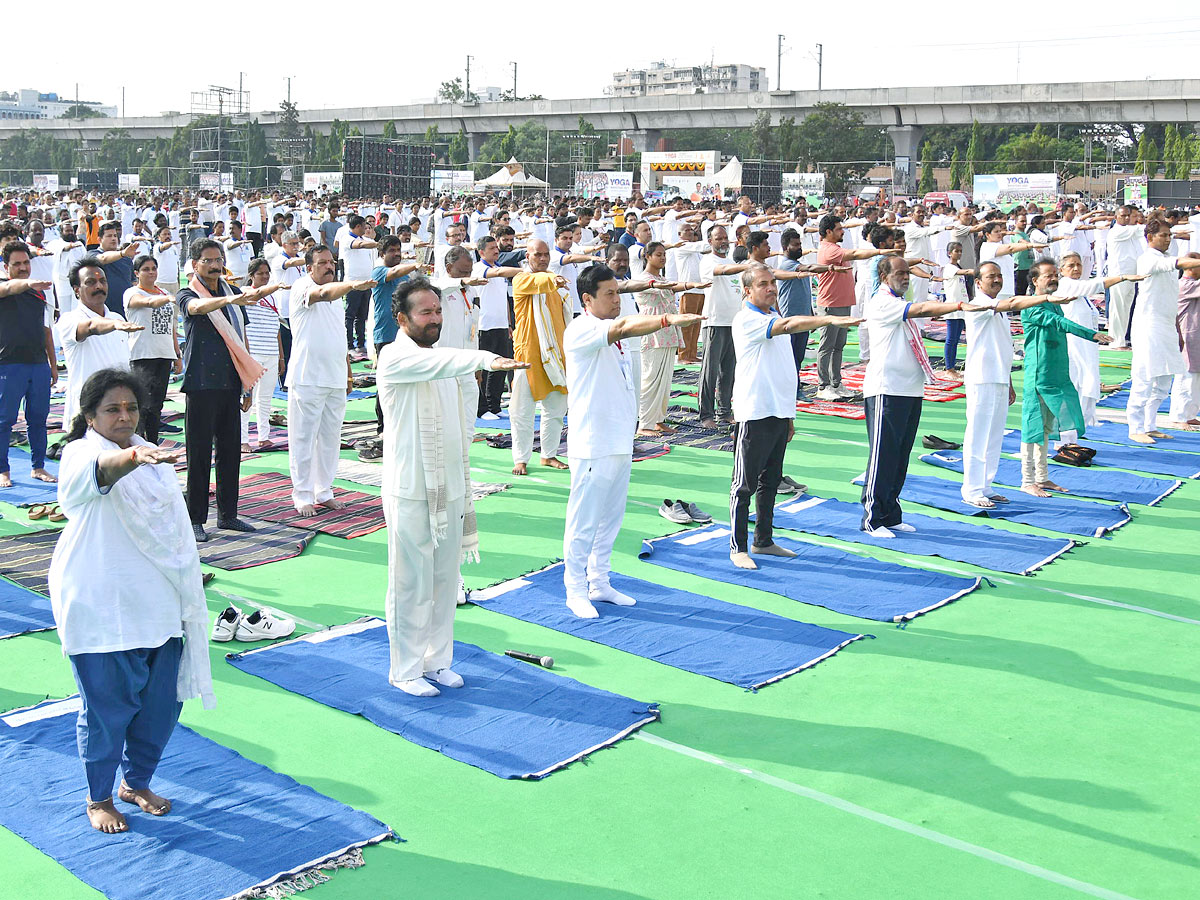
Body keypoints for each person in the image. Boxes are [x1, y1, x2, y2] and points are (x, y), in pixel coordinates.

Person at [48, 367, 215, 834]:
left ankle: (135, 782)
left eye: (131, 408)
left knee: (160, 709)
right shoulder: (83, 452)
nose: (124, 416)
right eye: (112, 409)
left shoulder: (151, 457)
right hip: (103, 608)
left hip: (159, 607)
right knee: (106, 713)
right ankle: (98, 796)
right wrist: (133, 458)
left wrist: (142, 455)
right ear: (89, 415)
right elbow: (98, 474)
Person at [377, 278, 527, 695]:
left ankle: (437, 661)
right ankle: (405, 669)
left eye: (438, 311)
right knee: (411, 582)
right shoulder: (394, 357)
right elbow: (448, 364)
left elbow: (460, 403)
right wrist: (487, 360)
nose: (435, 319)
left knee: (446, 580)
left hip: (450, 486)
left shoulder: (443, 358)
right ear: (402, 318)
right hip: (409, 488)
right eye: (425, 312)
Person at [562, 265, 702, 617]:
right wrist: (668, 320)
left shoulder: (610, 335)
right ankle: (575, 589)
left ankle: (600, 581)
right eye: (609, 294)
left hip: (619, 441)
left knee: (611, 517)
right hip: (593, 442)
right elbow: (624, 326)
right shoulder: (582, 329)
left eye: (617, 293)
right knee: (584, 520)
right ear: (587, 299)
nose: (616, 300)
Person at [728, 263, 861, 569]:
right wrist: (827, 318)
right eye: (763, 284)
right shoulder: (746, 319)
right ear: (748, 290)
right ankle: (738, 546)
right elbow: (788, 326)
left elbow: (785, 368)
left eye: (772, 283)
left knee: (770, 481)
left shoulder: (772, 314)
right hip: (755, 410)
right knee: (744, 484)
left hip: (778, 410)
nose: (771, 288)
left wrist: (789, 414)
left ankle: (763, 540)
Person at [861, 257, 982, 536]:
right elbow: (924, 307)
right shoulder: (883, 302)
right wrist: (959, 305)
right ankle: (873, 518)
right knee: (883, 456)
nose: (905, 278)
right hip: (886, 389)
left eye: (907, 273)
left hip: (910, 389)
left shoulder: (898, 303)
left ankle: (891, 513)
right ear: (884, 275)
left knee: (900, 456)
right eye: (900, 273)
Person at [177, 238, 277, 541]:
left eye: (219, 259)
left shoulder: (232, 292)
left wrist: (247, 384)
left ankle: (228, 515)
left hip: (231, 382)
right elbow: (196, 308)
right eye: (208, 260)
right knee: (198, 453)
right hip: (201, 383)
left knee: (230, 452)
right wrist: (230, 300)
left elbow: (241, 337)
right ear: (195, 265)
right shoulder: (187, 293)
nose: (216, 264)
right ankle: (195, 519)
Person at [959, 261, 1066, 507]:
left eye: (999, 276)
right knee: (978, 435)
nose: (997, 280)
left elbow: (1003, 348)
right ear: (978, 282)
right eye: (990, 277)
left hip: (998, 378)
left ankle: (986, 485)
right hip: (981, 379)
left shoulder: (998, 308)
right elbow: (1013, 303)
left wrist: (1008, 381)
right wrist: (1045, 300)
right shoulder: (978, 305)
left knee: (995, 435)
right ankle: (972, 490)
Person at [287, 245, 374, 515]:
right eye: (323, 263)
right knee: (303, 438)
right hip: (308, 376)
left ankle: (323, 490)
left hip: (335, 377)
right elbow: (322, 294)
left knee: (330, 438)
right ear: (309, 267)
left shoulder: (337, 294)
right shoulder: (302, 287)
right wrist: (352, 285)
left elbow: (338, 337)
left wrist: (347, 371)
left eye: (331, 262)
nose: (329, 267)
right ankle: (302, 494)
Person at [1021, 260, 1112, 494]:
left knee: (1047, 428)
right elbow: (1059, 324)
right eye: (1047, 276)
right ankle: (1027, 480)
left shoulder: (1054, 304)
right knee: (1033, 428)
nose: (1053, 279)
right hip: (1038, 376)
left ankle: (1042, 477)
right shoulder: (1032, 307)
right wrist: (1091, 334)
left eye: (1054, 275)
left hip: (1056, 374)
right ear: (1035, 281)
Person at [1128, 221, 1200, 442]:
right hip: (1148, 325)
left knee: (1164, 379)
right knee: (1144, 377)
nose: (1168, 239)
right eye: (1164, 235)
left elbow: (1171, 302)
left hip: (1168, 324)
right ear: (1150, 237)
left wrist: (1177, 330)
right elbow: (1179, 263)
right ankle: (1136, 428)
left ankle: (1150, 424)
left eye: (1170, 235)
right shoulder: (1148, 259)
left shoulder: (1164, 259)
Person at [814, 214, 897, 401]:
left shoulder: (835, 247)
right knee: (827, 346)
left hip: (842, 302)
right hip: (830, 303)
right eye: (838, 229)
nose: (842, 231)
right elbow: (855, 254)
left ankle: (835, 383)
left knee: (838, 346)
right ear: (828, 232)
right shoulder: (828, 249)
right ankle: (823, 385)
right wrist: (879, 252)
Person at [1056, 252, 1143, 428]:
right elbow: (1096, 284)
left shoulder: (1080, 287)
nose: (1076, 268)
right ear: (1061, 270)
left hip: (1088, 344)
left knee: (1088, 379)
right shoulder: (1066, 285)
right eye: (1071, 265)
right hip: (1074, 343)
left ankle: (1086, 419)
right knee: (1077, 380)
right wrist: (1123, 277)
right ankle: (1072, 422)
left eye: (1078, 265)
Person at [58, 257, 143, 431]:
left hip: (119, 411)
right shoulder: (70, 320)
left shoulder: (118, 318)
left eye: (102, 281)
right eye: (90, 282)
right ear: (76, 291)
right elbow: (91, 326)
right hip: (87, 413)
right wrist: (113, 325)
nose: (99, 286)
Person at [509, 239, 571, 476]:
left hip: (555, 354)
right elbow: (540, 281)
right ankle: (521, 458)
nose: (543, 259)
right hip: (528, 353)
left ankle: (549, 454)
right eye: (538, 255)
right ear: (528, 256)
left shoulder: (554, 284)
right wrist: (554, 280)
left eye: (546, 255)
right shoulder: (522, 279)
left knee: (555, 407)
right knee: (521, 410)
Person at [0, 242, 57, 488]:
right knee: (4, 420)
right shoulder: (4, 288)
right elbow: (11, 287)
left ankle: (38, 466)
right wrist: (26, 284)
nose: (23, 268)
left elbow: (46, 331)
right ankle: (3, 469)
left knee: (38, 419)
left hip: (38, 365)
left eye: (26, 263)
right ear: (6, 267)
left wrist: (53, 365)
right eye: (17, 264)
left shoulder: (39, 293)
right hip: (9, 365)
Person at [122, 254, 181, 445]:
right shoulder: (132, 293)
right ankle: (137, 443)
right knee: (142, 404)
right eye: (146, 269)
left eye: (153, 268)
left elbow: (171, 327)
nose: (151, 272)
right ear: (137, 273)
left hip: (164, 354)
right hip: (143, 354)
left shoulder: (163, 292)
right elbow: (147, 302)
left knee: (157, 405)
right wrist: (167, 298)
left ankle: (153, 443)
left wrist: (176, 354)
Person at [697, 226, 751, 428]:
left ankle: (724, 411)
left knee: (728, 372)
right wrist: (745, 267)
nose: (723, 242)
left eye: (725, 238)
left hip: (733, 322)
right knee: (710, 372)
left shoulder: (730, 261)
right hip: (714, 321)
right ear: (710, 241)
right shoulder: (707, 261)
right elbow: (722, 272)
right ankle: (706, 415)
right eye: (718, 238)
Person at [369, 236, 424, 434]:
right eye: (392, 250)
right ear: (382, 253)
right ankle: (383, 426)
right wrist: (413, 265)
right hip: (385, 334)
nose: (397, 254)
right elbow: (392, 273)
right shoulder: (379, 271)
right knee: (386, 383)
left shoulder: (404, 275)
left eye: (399, 250)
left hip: (406, 335)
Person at [472, 235, 526, 420]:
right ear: (481, 252)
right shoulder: (479, 269)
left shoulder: (498, 268)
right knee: (486, 367)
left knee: (501, 367)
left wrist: (509, 324)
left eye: (496, 247)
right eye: (491, 248)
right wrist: (523, 271)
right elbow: (498, 273)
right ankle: (483, 408)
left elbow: (504, 299)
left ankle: (494, 405)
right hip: (484, 325)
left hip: (501, 324)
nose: (496, 250)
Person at [240, 258, 284, 450]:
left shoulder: (273, 298)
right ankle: (243, 440)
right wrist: (274, 287)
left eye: (267, 273)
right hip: (253, 353)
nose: (265, 276)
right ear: (251, 276)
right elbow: (256, 295)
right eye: (261, 273)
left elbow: (277, 329)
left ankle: (263, 436)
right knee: (247, 399)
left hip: (271, 352)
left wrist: (281, 356)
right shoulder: (245, 293)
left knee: (265, 397)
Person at [1168, 253, 1200, 428]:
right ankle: (1179, 416)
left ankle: (1189, 414)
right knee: (1185, 377)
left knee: (1196, 378)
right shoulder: (1185, 285)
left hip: (1196, 336)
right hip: (1187, 335)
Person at [1104, 205, 1144, 349]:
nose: (1127, 218)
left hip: (1131, 275)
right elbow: (1141, 229)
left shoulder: (1130, 232)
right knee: (1118, 309)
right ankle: (1115, 341)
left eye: (1129, 215)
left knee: (1125, 308)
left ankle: (1122, 340)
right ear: (1116, 217)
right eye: (1123, 216)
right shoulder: (1117, 231)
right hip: (1119, 276)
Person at [93, 222, 140, 315]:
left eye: (115, 235)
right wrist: (122, 253)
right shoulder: (93, 254)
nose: (114, 238)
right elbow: (103, 258)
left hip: (125, 311)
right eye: (109, 236)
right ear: (99, 239)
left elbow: (133, 283)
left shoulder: (126, 259)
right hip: (104, 312)